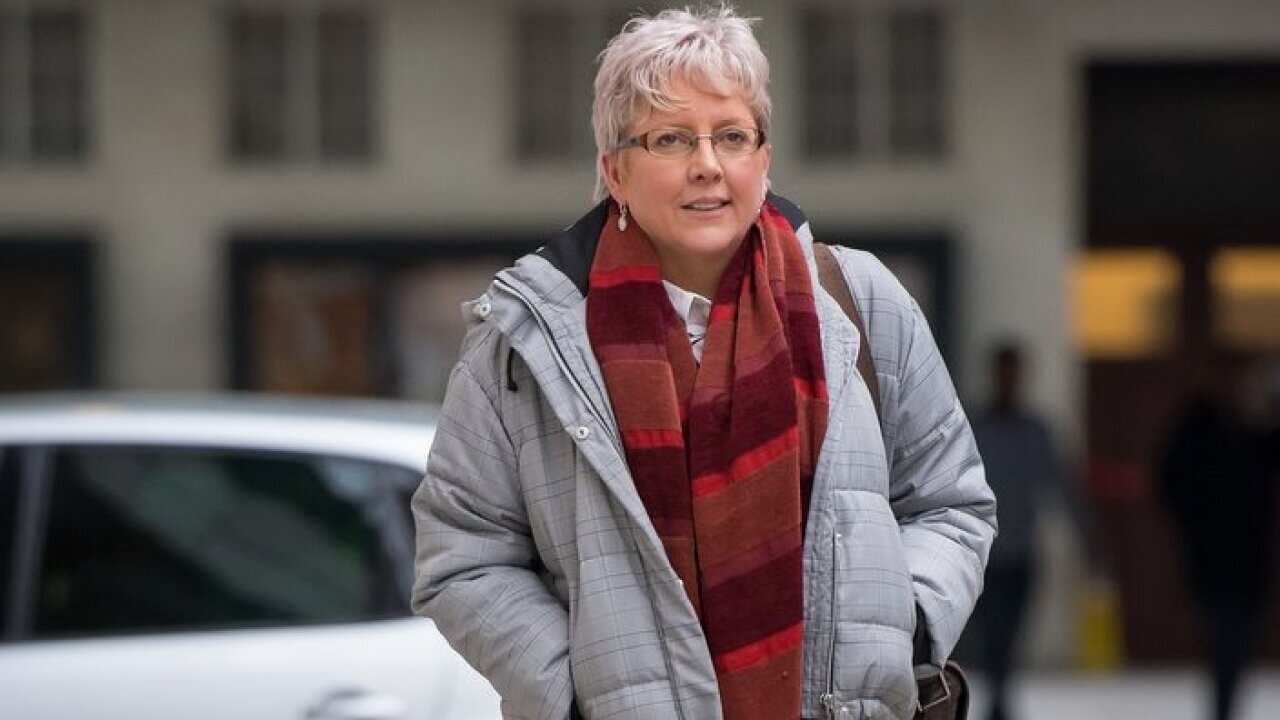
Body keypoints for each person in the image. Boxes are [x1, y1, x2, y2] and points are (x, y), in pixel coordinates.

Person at [411, 7, 996, 719]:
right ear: (615, 172)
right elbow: (464, 554)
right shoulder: (526, 340)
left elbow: (951, 502)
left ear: (763, 160)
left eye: (732, 136)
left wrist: (902, 628)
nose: (707, 164)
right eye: (670, 138)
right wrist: (578, 692)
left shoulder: (860, 301)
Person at [1159, 358, 1278, 720]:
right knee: (1226, 640)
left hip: (1246, 558)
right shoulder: (1200, 429)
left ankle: (1224, 707)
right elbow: (1170, 479)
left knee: (1234, 642)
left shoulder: (1256, 434)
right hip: (1214, 556)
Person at [968, 342, 1067, 720]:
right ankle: (999, 703)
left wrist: (1091, 540)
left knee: (1009, 636)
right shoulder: (975, 429)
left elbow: (1060, 487)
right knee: (991, 636)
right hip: (983, 554)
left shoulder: (1035, 433)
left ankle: (1000, 701)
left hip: (1021, 553)